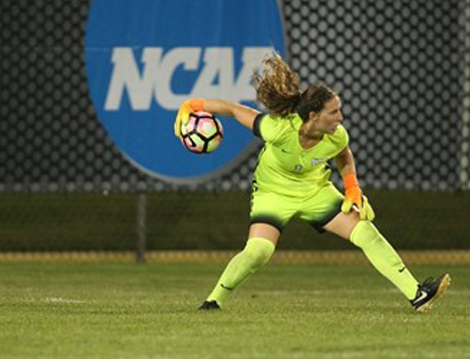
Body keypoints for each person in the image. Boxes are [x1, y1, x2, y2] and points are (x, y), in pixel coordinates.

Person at [174, 53, 450, 314]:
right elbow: (233, 110)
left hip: (314, 191)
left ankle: (417, 294)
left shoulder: (337, 135)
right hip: (273, 193)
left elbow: (344, 156)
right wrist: (193, 105)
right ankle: (213, 302)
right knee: (258, 251)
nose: (340, 117)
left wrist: (352, 188)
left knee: (365, 232)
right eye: (334, 112)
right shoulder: (278, 128)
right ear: (313, 116)